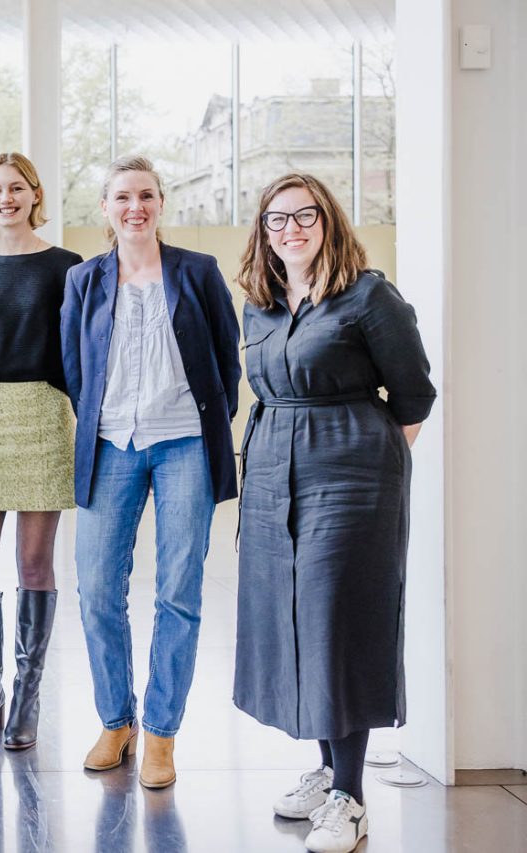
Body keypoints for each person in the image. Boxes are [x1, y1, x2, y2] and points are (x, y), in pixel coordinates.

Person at [234, 173, 434, 853]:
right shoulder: (259, 306)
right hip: (270, 476)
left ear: (329, 221)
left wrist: (366, 464)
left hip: (349, 478)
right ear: (263, 233)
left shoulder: (369, 295)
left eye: (304, 215)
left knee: (338, 619)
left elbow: (413, 396)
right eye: (275, 219)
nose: (289, 229)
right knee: (296, 622)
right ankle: (327, 771)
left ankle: (350, 796)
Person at [61, 156, 241, 788]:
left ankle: (162, 733)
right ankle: (117, 722)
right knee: (97, 590)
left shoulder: (197, 272)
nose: (134, 207)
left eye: (145, 196)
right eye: (121, 197)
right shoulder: (84, 280)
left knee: (178, 591)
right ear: (106, 209)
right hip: (111, 445)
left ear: (161, 203)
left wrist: (210, 419)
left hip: (185, 444)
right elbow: (75, 370)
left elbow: (226, 361)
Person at [0, 152, 82, 750]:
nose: (6, 198)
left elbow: (79, 348)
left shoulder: (67, 267)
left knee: (34, 566)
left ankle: (27, 695)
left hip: (44, 414)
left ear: (35, 194)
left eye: (17, 188)